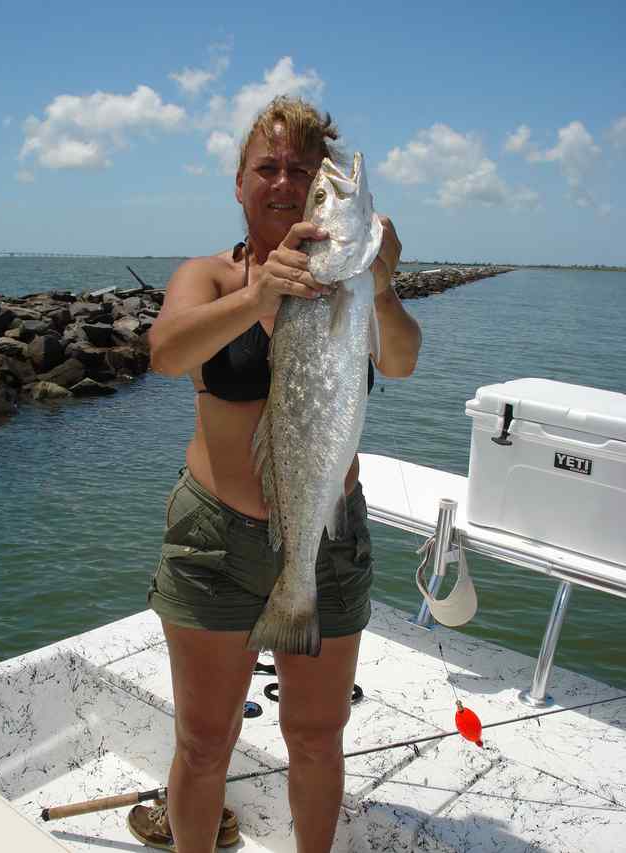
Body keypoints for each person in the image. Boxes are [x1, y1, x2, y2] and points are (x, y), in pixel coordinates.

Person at [128, 97, 422, 853]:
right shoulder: (209, 276)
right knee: (204, 741)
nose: (286, 182)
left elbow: (400, 360)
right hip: (215, 542)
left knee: (318, 736)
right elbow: (164, 353)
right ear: (239, 182)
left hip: (329, 535)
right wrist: (260, 295)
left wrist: (380, 284)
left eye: (305, 171)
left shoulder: (355, 279)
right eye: (268, 166)